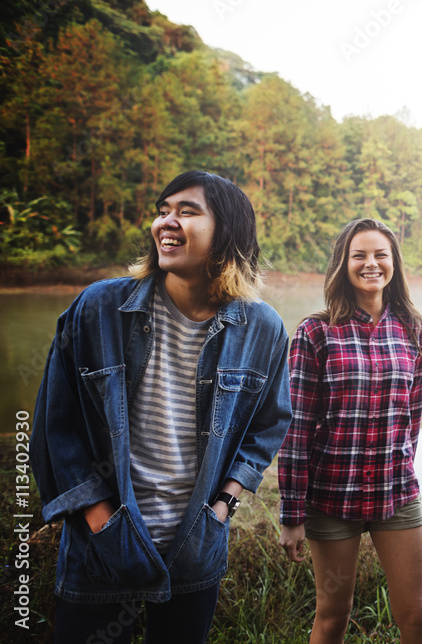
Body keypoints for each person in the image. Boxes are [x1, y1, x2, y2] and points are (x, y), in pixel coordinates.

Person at [29, 171, 292, 643]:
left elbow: (269, 425)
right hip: (100, 549)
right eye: (163, 209)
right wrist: (101, 518)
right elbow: (55, 427)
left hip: (194, 547)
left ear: (227, 232)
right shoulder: (98, 308)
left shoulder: (262, 328)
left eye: (187, 212)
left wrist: (223, 505)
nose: (166, 222)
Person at [277, 218, 422, 644]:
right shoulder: (315, 332)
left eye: (380, 255)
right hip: (330, 496)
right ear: (342, 264)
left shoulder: (416, 332)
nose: (371, 264)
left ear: (394, 264)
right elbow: (296, 429)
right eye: (359, 255)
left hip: (395, 495)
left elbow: (411, 423)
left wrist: (403, 471)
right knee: (332, 616)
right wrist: (292, 513)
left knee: (415, 616)